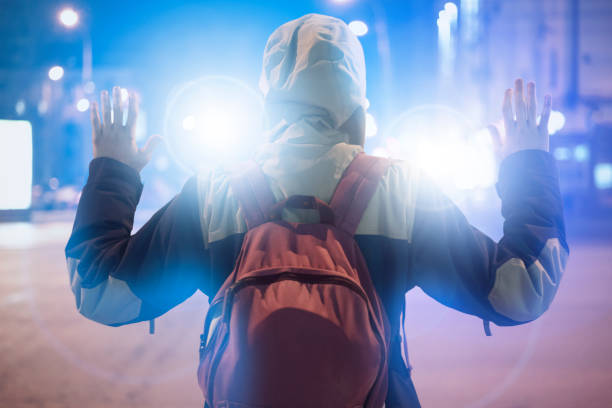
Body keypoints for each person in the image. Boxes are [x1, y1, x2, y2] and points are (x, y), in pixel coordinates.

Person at [65, 13, 568, 407]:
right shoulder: (402, 188)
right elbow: (520, 289)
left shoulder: (214, 190)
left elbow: (99, 291)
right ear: (357, 101)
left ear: (269, 98)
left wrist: (113, 169)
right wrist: (527, 166)